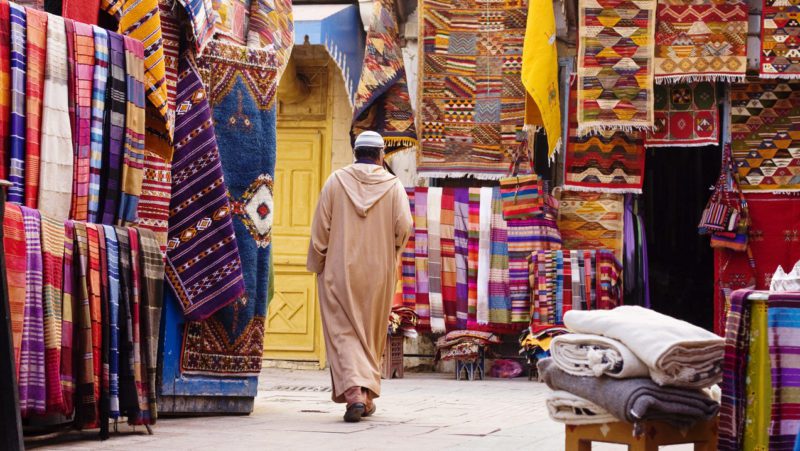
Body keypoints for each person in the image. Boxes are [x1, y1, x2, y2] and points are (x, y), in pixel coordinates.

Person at [306, 131, 413, 422]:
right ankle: (364, 396)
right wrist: (392, 251)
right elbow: (404, 226)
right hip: (378, 271)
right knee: (370, 333)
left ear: (355, 153)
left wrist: (317, 263)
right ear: (380, 155)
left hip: (339, 269)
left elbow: (321, 230)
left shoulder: (335, 181)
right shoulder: (393, 186)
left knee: (343, 331)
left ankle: (354, 392)